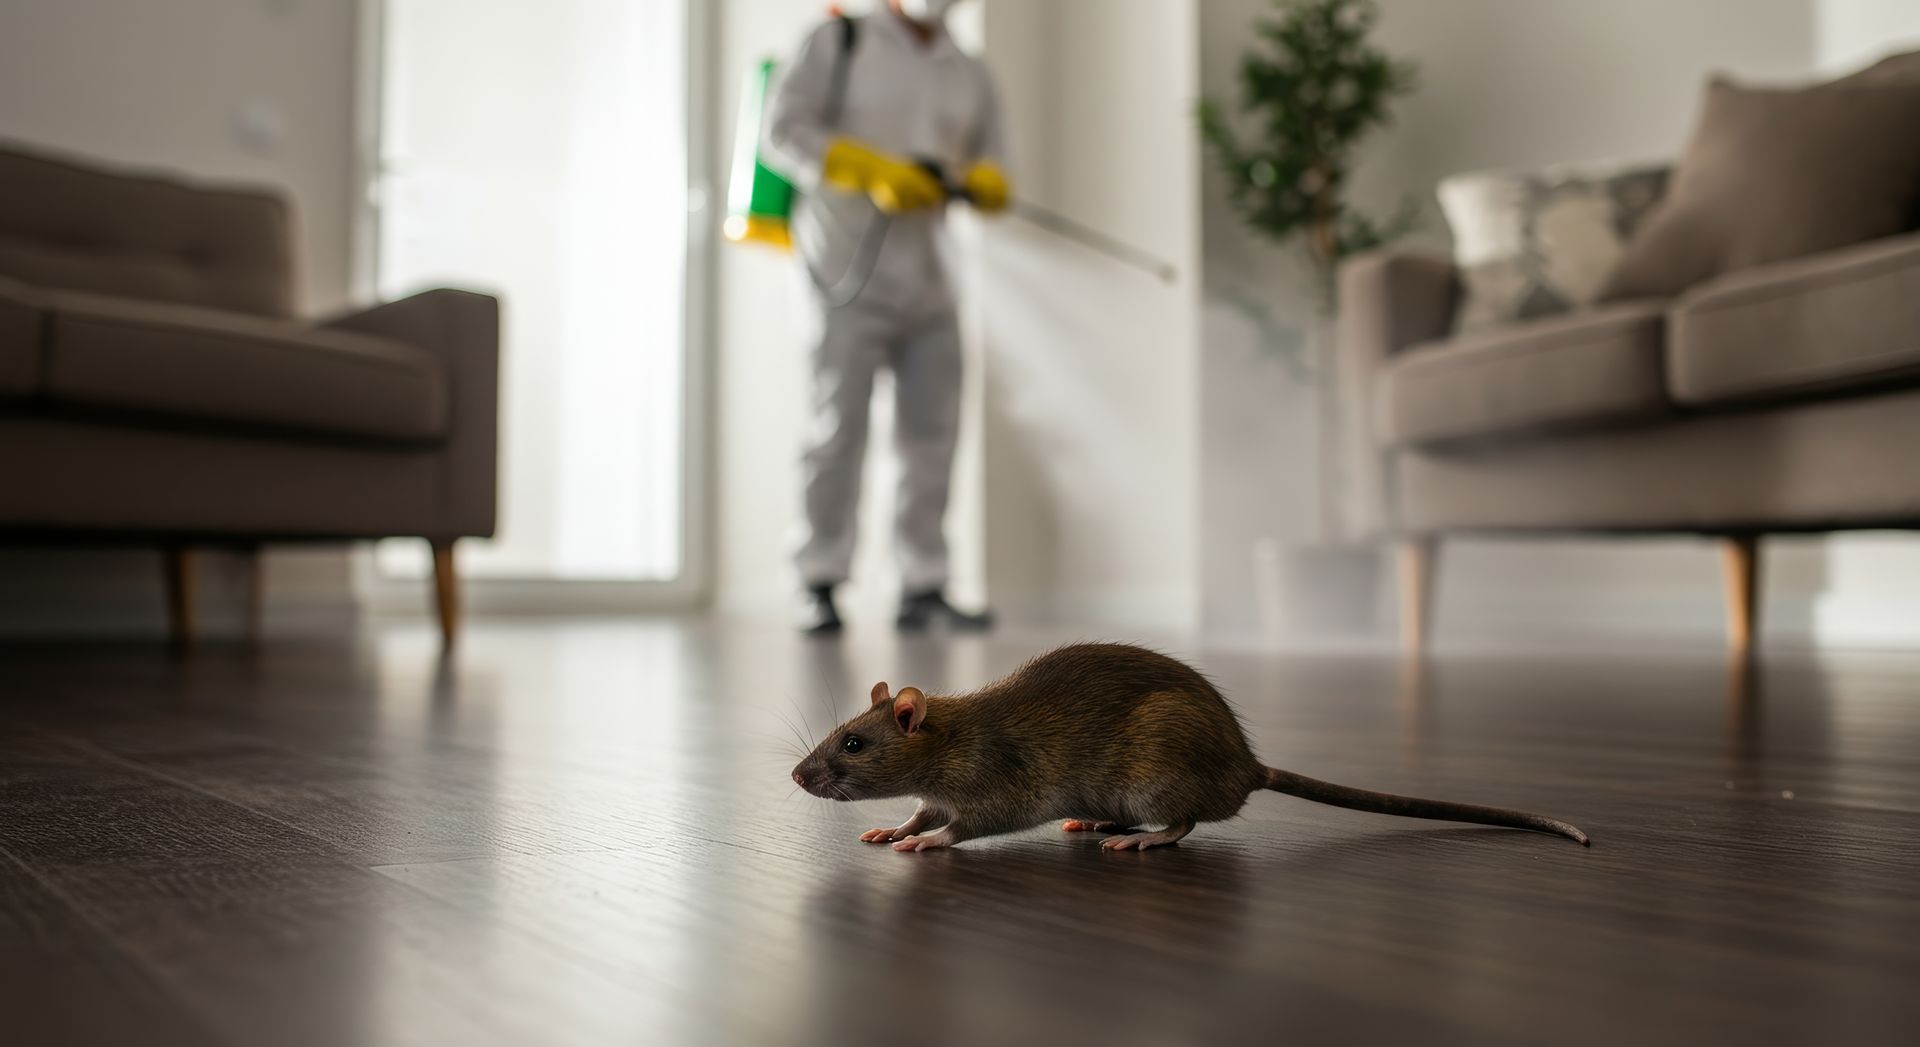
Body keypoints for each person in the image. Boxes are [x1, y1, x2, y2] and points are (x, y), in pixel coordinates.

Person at [765, 0, 1005, 634]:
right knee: (836, 428)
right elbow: (783, 131)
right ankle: (817, 578)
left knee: (932, 436)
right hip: (844, 272)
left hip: (932, 276)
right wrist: (863, 168)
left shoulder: (969, 70)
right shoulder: (837, 41)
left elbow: (994, 157)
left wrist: (982, 180)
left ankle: (923, 585)